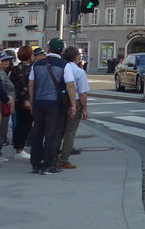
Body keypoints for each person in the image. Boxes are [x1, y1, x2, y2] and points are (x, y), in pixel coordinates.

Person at [27, 41, 76, 175]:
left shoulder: (36, 64)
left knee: (37, 133)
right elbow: (70, 85)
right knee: (50, 134)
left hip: (38, 102)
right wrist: (73, 104)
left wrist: (32, 101)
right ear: (62, 51)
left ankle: (35, 163)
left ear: (48, 49)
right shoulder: (64, 65)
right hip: (54, 103)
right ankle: (48, 164)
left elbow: (31, 84)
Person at [55, 45, 89, 169]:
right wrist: (84, 109)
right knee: (70, 132)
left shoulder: (61, 68)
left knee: (59, 129)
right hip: (75, 102)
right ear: (77, 57)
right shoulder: (79, 71)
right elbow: (82, 93)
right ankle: (64, 159)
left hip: (62, 101)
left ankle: (53, 155)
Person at [9, 45, 34, 159]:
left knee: (21, 124)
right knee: (24, 124)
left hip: (18, 99)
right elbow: (24, 85)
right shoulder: (25, 68)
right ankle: (19, 150)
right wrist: (27, 100)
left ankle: (19, 147)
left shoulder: (17, 67)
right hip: (24, 100)